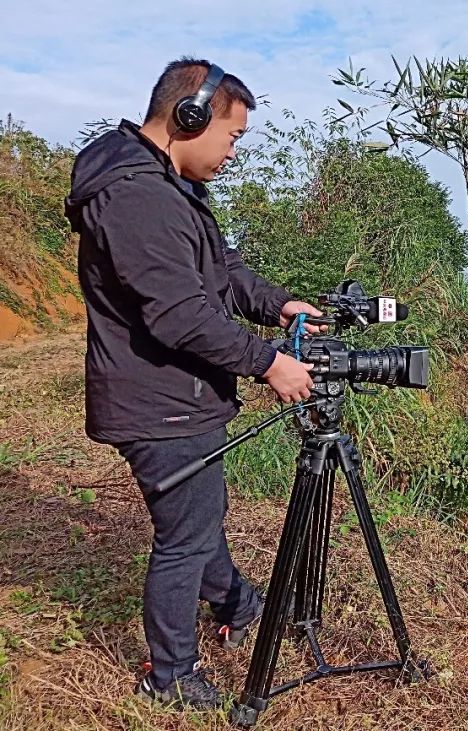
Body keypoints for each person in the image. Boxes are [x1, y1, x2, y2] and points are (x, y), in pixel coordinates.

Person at [64, 58, 318, 710]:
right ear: (189, 118)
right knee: (184, 538)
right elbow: (180, 314)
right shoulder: (138, 198)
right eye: (231, 136)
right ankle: (170, 675)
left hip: (178, 398)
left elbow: (220, 271)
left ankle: (238, 600)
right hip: (159, 402)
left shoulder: (165, 185)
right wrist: (268, 362)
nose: (233, 151)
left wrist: (279, 305)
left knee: (199, 516)